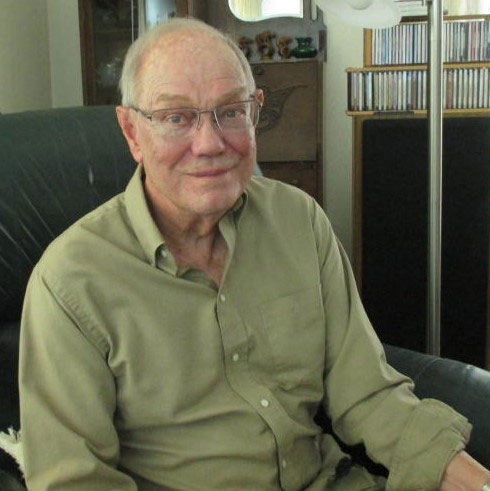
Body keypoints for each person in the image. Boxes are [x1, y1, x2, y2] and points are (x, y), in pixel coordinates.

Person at [19, 18, 490, 491]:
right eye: (176, 117)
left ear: (256, 110)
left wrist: (466, 476)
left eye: (230, 111)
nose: (210, 144)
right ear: (132, 132)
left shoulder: (298, 220)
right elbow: (75, 481)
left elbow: (366, 390)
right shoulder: (70, 283)